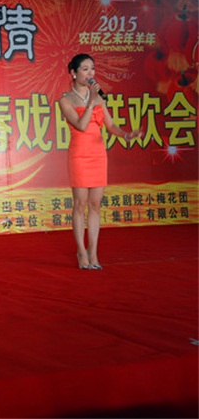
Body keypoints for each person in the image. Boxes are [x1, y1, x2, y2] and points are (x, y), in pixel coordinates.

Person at [59, 53, 143, 270]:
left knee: (95, 205)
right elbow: (81, 125)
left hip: (98, 154)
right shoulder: (65, 100)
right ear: (73, 73)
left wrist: (127, 135)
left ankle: (93, 253)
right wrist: (91, 103)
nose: (90, 73)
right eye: (85, 69)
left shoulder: (98, 98)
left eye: (92, 69)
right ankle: (81, 252)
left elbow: (111, 125)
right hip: (79, 154)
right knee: (80, 204)